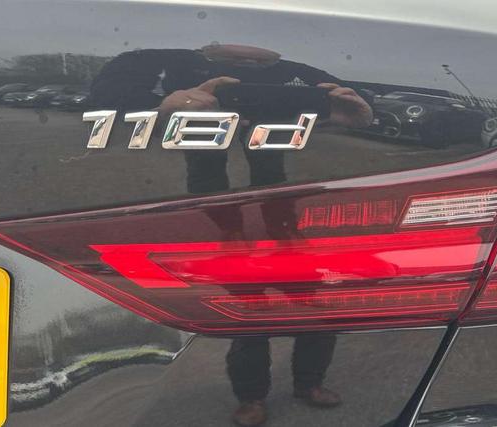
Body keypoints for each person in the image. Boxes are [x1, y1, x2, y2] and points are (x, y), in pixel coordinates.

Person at [90, 44, 373, 427]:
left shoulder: (298, 71)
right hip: (220, 223)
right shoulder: (167, 61)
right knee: (249, 313)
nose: (246, 59)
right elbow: (103, 99)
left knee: (314, 305)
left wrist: (363, 114)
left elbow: (362, 100)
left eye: (257, 57)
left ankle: (310, 383)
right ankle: (251, 396)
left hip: (284, 221)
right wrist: (158, 107)